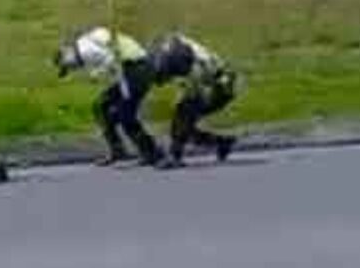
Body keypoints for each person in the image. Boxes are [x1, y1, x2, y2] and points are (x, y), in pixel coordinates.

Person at [54, 26, 163, 167]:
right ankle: (118, 149)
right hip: (131, 71)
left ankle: (152, 153)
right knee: (102, 105)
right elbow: (114, 61)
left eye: (68, 66)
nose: (72, 69)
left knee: (125, 115)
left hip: (137, 69)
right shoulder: (84, 44)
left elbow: (111, 58)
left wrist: (98, 73)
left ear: (67, 53)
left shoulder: (85, 51)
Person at [144, 33, 239, 168]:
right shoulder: (177, 50)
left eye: (166, 76)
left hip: (222, 86)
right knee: (183, 123)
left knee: (183, 115)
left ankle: (175, 157)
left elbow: (196, 88)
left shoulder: (187, 62)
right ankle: (222, 142)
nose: (167, 80)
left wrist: (186, 99)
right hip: (215, 82)